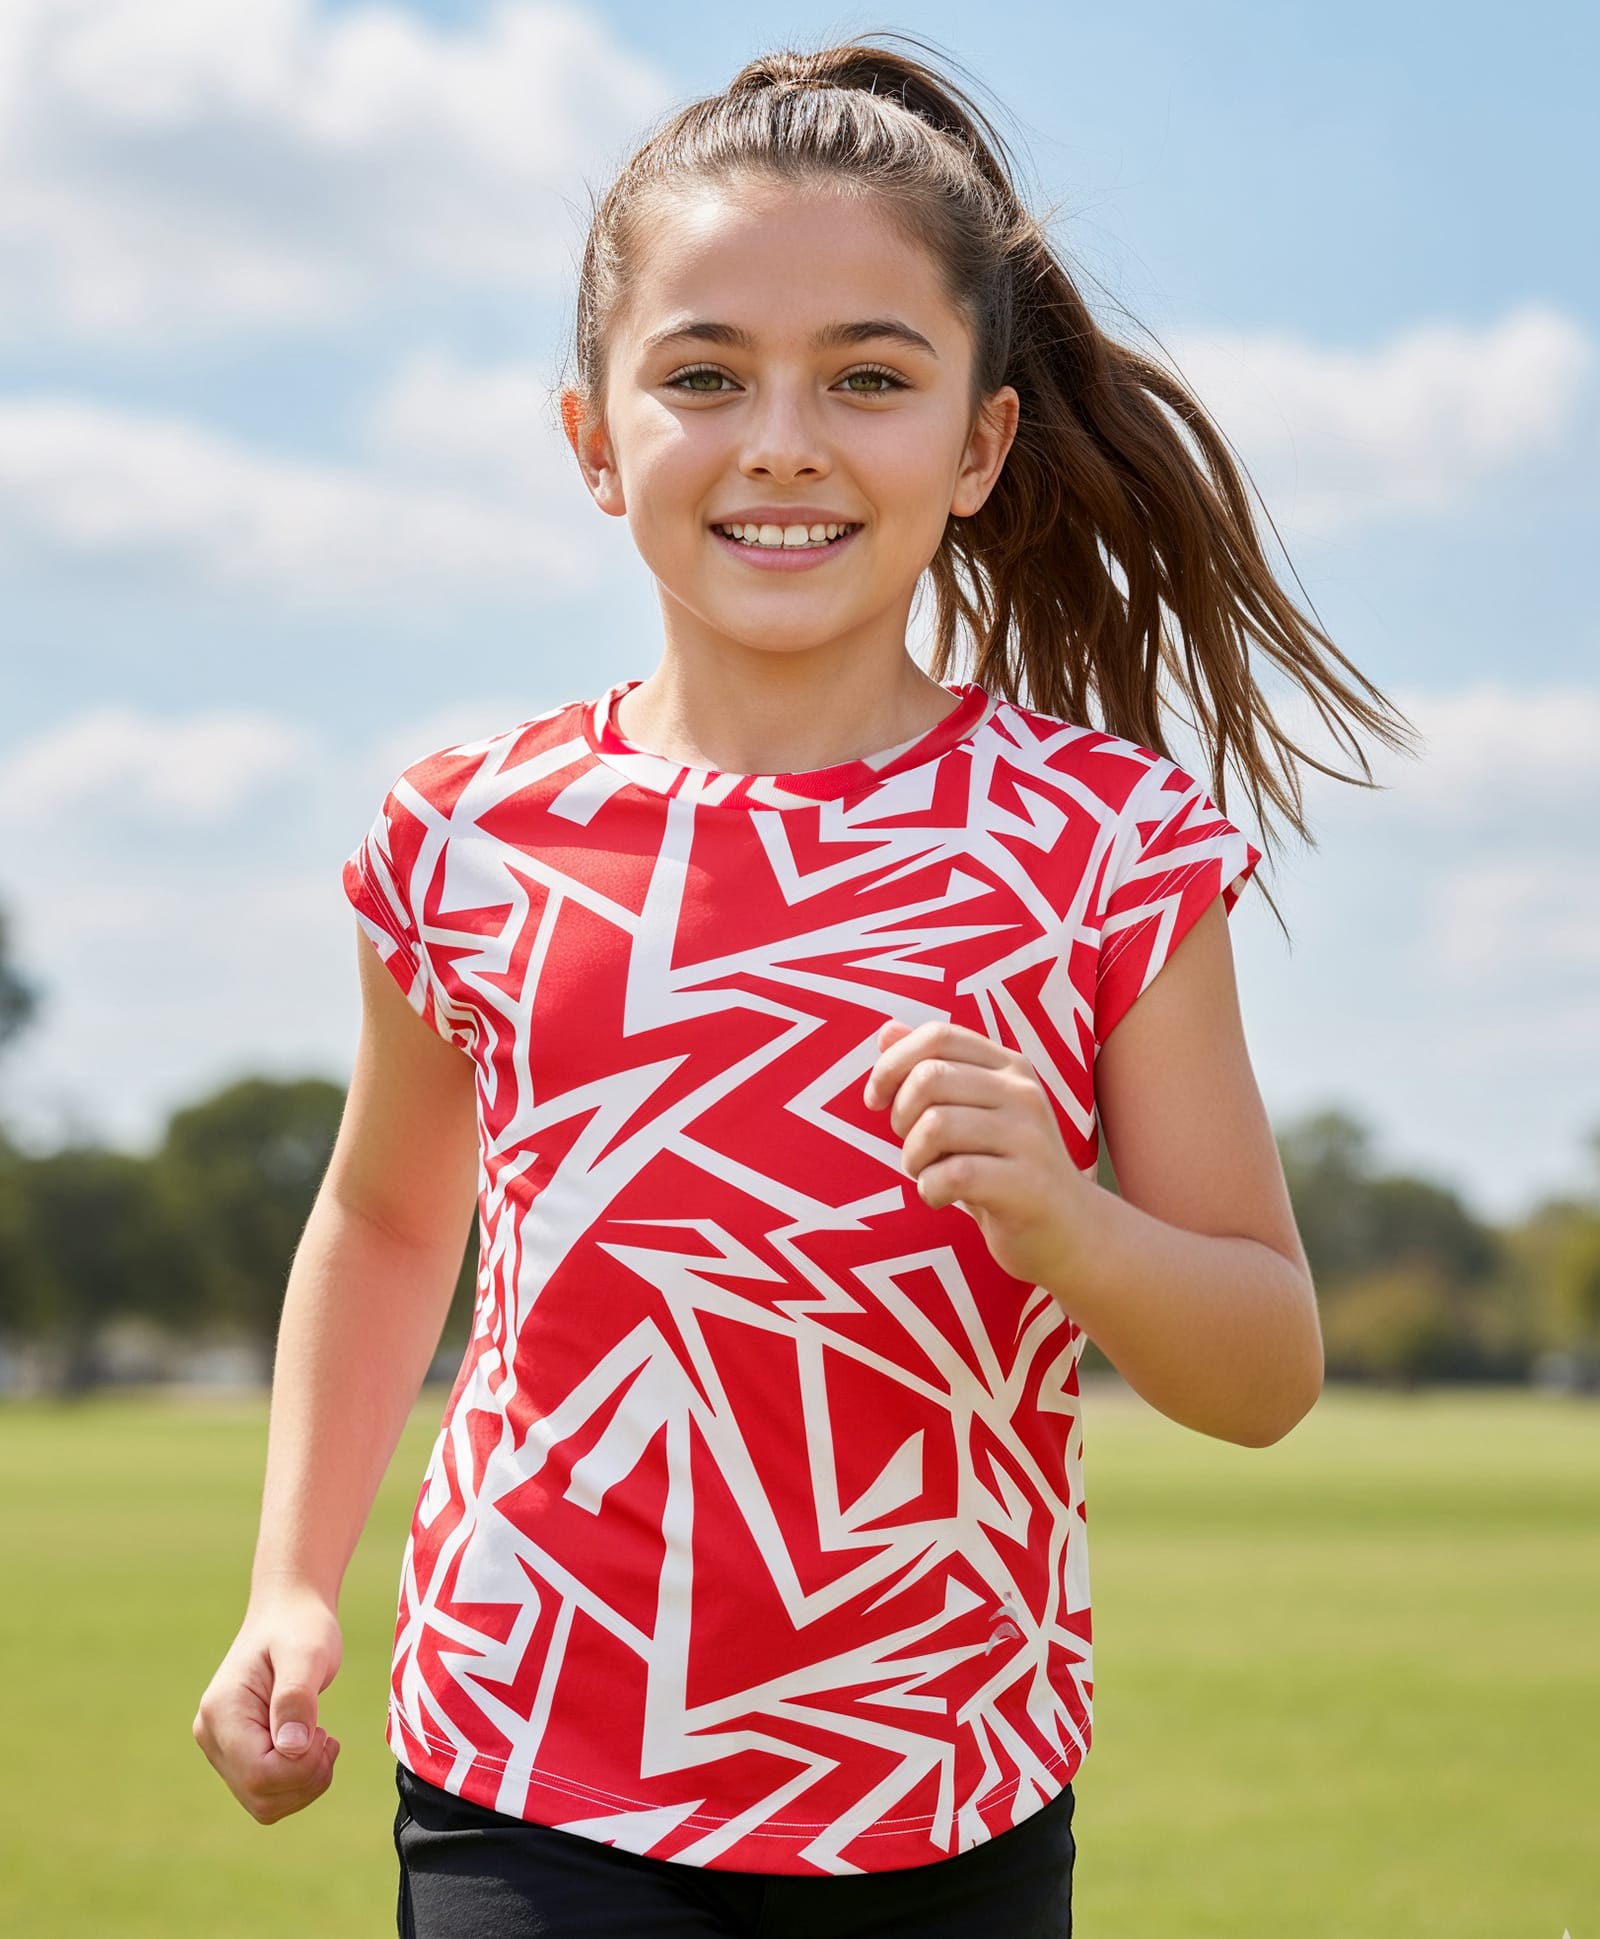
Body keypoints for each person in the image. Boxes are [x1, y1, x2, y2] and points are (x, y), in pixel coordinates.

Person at [191, 31, 1421, 1939]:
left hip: (954, 1794)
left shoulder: (1106, 844)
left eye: (869, 378)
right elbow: (378, 1219)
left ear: (980, 442)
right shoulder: (464, 835)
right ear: (593, 440)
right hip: (530, 1771)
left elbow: (1265, 1367)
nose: (783, 440)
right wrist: (290, 1584)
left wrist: (1075, 1230)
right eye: (702, 377)